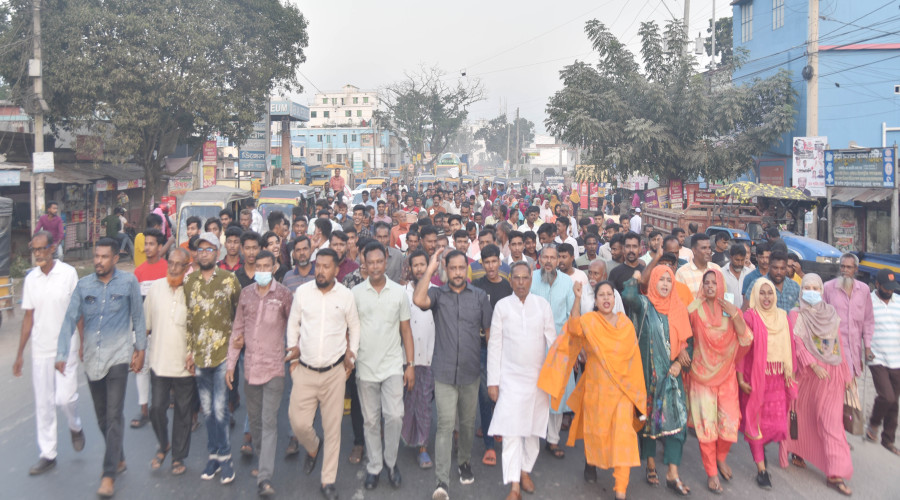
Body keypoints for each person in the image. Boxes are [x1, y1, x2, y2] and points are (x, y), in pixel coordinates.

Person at [539, 281, 646, 500]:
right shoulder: (590, 321)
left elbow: (634, 361)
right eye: (601, 295)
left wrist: (638, 395)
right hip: (597, 390)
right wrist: (577, 298)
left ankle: (620, 490)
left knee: (623, 438)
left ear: (615, 299)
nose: (606, 298)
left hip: (623, 392)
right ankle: (591, 462)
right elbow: (573, 327)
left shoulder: (626, 325)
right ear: (595, 300)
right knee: (597, 433)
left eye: (609, 295)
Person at [56, 238, 146, 497]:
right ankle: (119, 457)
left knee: (114, 414)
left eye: (104, 257)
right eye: (96, 256)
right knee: (102, 417)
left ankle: (108, 475)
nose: (98, 261)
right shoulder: (83, 285)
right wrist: (61, 353)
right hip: (93, 359)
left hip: (118, 357)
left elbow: (138, 317)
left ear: (115, 258)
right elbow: (69, 319)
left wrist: (140, 349)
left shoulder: (128, 282)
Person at [413, 250, 493, 500]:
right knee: (445, 425)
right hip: (445, 371)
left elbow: (490, 334)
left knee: (467, 424)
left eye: (461, 268)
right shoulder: (437, 294)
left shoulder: (479, 296)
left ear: (466, 269)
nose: (457, 272)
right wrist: (430, 269)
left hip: (471, 371)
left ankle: (464, 462)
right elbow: (418, 299)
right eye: (452, 268)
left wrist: (493, 371)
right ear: (445, 270)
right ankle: (442, 481)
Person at [285, 248, 360, 500]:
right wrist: (293, 358)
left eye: (326, 266)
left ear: (336, 270)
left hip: (334, 373)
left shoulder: (346, 296)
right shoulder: (303, 293)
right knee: (298, 422)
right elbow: (293, 324)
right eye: (318, 266)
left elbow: (354, 327)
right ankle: (313, 446)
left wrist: (352, 356)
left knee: (333, 429)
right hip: (304, 370)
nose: (320, 271)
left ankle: (328, 480)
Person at [14, 232, 84, 476]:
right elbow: (28, 317)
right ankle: (48, 453)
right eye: (35, 250)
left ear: (52, 248)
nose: (38, 254)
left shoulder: (68, 274)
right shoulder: (31, 279)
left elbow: (78, 310)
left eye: (42, 249)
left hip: (66, 346)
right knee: (43, 403)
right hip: (41, 349)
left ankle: (75, 425)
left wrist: (83, 342)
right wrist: (20, 354)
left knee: (65, 398)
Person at [487, 262, 557, 500]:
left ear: (531, 279)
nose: (520, 282)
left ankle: (525, 470)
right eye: (516, 278)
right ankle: (514, 485)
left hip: (538, 380)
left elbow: (553, 344)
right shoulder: (502, 306)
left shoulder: (542, 305)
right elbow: (495, 344)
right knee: (511, 432)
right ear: (510, 281)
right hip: (509, 379)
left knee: (534, 430)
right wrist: (493, 382)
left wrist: (555, 379)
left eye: (524, 278)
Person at [226, 250, 292, 496]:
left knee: (268, 420)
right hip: (250, 368)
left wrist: (294, 355)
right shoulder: (246, 294)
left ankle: (264, 477)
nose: (263, 270)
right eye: (259, 266)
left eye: (267, 266)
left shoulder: (284, 295)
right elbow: (237, 330)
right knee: (255, 422)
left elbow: (293, 326)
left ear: (274, 267)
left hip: (274, 367)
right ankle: (264, 458)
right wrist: (231, 364)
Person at [621, 266, 692, 495]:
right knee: (649, 423)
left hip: (672, 378)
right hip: (647, 377)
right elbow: (628, 296)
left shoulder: (679, 308)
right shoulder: (643, 305)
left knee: (677, 423)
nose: (665, 284)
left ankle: (672, 473)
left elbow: (688, 342)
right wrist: (635, 277)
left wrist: (679, 363)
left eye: (668, 280)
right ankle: (650, 463)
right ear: (652, 282)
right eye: (660, 280)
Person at [352, 242, 415, 490]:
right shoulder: (356, 293)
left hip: (392, 366)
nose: (376, 266)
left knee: (395, 416)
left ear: (386, 261)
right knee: (370, 421)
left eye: (380, 261)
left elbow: (406, 331)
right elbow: (350, 330)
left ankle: (390, 462)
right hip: (365, 366)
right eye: (371, 262)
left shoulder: (398, 292)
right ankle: (375, 466)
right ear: (364, 264)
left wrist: (410, 365)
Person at [784, 274, 853, 496]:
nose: (811, 292)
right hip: (808, 374)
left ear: (822, 291)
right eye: (808, 287)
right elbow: (797, 343)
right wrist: (813, 365)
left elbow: (838, 343)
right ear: (801, 290)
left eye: (816, 288)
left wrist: (847, 375)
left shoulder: (831, 313)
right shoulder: (796, 314)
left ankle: (835, 473)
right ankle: (799, 450)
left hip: (832, 374)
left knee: (831, 422)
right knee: (804, 415)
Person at [183, 232, 242, 486]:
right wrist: (189, 351)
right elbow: (188, 320)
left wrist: (236, 348)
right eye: (200, 250)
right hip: (199, 355)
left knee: (220, 409)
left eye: (209, 249)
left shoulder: (229, 280)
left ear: (217, 253)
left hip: (222, 355)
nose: (204, 254)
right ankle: (214, 456)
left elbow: (239, 315)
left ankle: (226, 458)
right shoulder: (190, 281)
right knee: (207, 410)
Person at [686, 269, 752, 494]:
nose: (710, 286)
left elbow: (746, 338)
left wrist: (735, 315)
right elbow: (682, 335)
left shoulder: (731, 310)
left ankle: (721, 457)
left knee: (731, 422)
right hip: (701, 376)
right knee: (707, 427)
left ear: (721, 285)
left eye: (714, 282)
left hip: (726, 376)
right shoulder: (693, 310)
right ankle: (712, 472)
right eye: (707, 282)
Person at [738, 278, 796, 490]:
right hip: (755, 378)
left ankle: (761, 450)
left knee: (777, 425)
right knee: (755, 425)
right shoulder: (750, 317)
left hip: (778, 379)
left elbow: (790, 347)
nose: (766, 297)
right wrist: (740, 379)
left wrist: (791, 377)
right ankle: (761, 470)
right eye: (761, 293)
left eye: (769, 293)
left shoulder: (783, 317)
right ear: (755, 295)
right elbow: (742, 349)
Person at [144, 248, 193, 475]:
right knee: (156, 409)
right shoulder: (155, 288)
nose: (173, 268)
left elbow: (198, 328)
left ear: (187, 267)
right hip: (159, 362)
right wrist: (138, 352)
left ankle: (178, 457)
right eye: (170, 263)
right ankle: (163, 443)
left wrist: (194, 355)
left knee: (183, 413)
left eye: (178, 264)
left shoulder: (193, 291)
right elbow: (145, 325)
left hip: (185, 366)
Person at [529, 245, 575, 460]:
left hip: (560, 345)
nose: (548, 261)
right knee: (535, 393)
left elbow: (572, 314)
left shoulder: (567, 283)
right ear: (539, 259)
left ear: (558, 261)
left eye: (552, 258)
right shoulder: (530, 279)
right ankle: (532, 438)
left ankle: (553, 439)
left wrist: (573, 348)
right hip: (533, 344)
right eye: (545, 257)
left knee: (557, 394)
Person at [472, 244, 513, 466]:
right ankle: (489, 445)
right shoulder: (477, 286)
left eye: (494, 262)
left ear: (500, 262)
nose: (490, 266)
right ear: (482, 263)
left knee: (503, 393)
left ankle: (499, 427)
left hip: (505, 347)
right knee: (486, 395)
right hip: (481, 347)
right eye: (486, 262)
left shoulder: (507, 287)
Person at [402, 250, 437, 469]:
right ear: (410, 268)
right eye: (415, 265)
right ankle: (405, 437)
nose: (419, 269)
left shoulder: (436, 292)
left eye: (423, 265)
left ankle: (423, 447)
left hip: (429, 357)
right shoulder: (401, 293)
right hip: (404, 359)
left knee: (424, 404)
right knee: (404, 403)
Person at [823, 254, 875, 385]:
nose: (845, 270)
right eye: (842, 266)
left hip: (855, 348)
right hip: (835, 347)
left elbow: (868, 320)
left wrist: (867, 347)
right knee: (840, 385)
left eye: (849, 267)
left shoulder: (864, 290)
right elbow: (821, 318)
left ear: (856, 269)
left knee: (850, 387)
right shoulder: (828, 287)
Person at [866, 268, 900, 457]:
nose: (890, 291)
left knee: (894, 401)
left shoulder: (898, 302)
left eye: (892, 287)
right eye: (886, 287)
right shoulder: (868, 302)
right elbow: (862, 326)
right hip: (876, 357)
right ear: (877, 284)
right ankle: (873, 423)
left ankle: (888, 440)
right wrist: (866, 349)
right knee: (887, 396)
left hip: (897, 358)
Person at [675, 233, 720, 297]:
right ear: (694, 250)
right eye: (704, 248)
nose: (708, 251)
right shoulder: (682, 273)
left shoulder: (716, 269)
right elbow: (680, 300)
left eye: (709, 248)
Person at [723, 243, 752, 309]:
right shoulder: (722, 273)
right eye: (737, 260)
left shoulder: (749, 273)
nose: (740, 263)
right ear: (731, 257)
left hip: (747, 313)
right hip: (729, 313)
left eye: (742, 260)